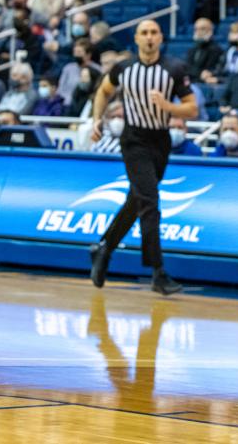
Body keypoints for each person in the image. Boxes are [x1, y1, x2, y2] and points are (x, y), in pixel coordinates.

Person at [88, 20, 198, 295]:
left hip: (160, 141)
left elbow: (192, 109)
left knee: (136, 200)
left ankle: (104, 248)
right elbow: (103, 91)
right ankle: (158, 272)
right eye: (144, 33)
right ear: (136, 39)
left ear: (161, 38)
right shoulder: (123, 68)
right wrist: (96, 120)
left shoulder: (174, 68)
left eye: (154, 33)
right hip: (133, 140)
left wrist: (167, 106)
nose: (149, 38)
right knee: (149, 201)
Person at [57, 37, 101, 104]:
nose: (76, 55)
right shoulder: (68, 68)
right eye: (75, 52)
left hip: (84, 104)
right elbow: (61, 89)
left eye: (79, 52)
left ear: (88, 55)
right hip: (65, 104)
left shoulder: (97, 69)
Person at [186, 18, 225, 84]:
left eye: (202, 29)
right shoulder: (192, 50)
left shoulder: (216, 50)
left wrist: (201, 73)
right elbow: (187, 68)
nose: (199, 32)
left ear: (210, 31)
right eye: (196, 29)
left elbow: (210, 71)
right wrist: (199, 73)